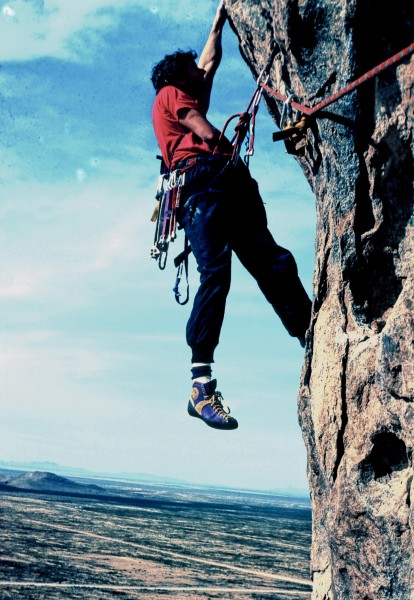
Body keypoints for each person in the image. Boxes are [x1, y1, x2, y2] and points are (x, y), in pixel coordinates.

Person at [150, 0, 312, 431]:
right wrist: (223, 144)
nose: (200, 74)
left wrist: (221, 18)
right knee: (216, 272)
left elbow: (210, 59)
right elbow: (198, 125)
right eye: (190, 71)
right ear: (175, 76)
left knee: (271, 258)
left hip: (224, 179)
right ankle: (200, 383)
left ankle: (306, 331)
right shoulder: (170, 96)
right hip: (201, 182)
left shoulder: (188, 86)